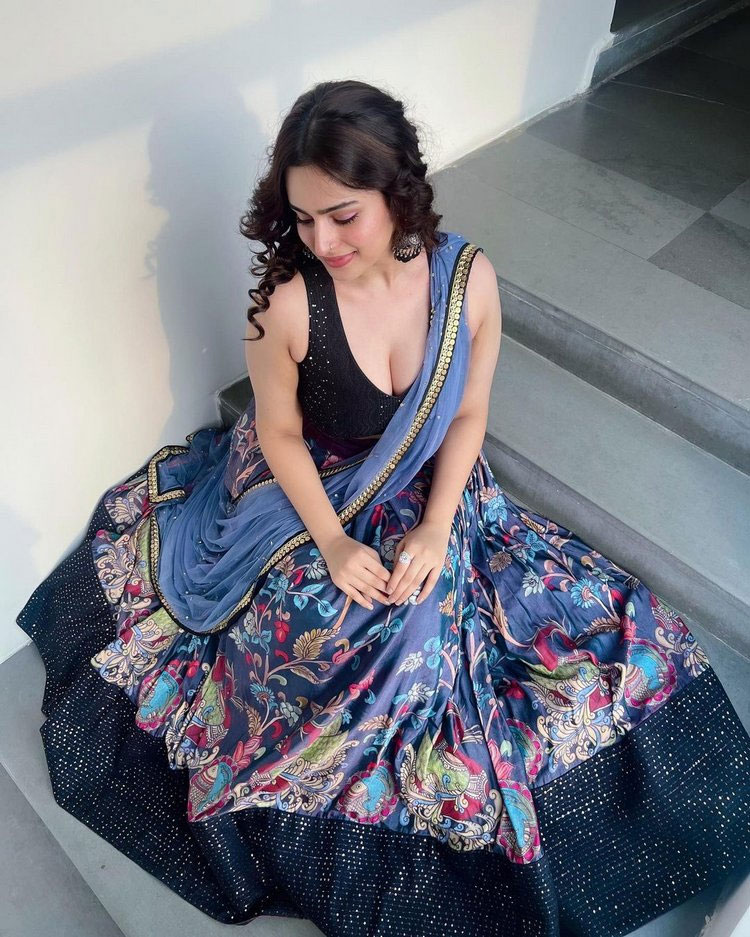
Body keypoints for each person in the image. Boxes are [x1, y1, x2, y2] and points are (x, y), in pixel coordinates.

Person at [17, 79, 750, 937]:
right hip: (311, 491)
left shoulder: (467, 280)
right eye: (302, 219)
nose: (320, 240)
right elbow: (278, 435)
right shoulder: (289, 305)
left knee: (613, 630)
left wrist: (437, 524)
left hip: (435, 490)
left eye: (342, 216)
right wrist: (332, 542)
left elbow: (468, 413)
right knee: (377, 646)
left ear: (396, 190)